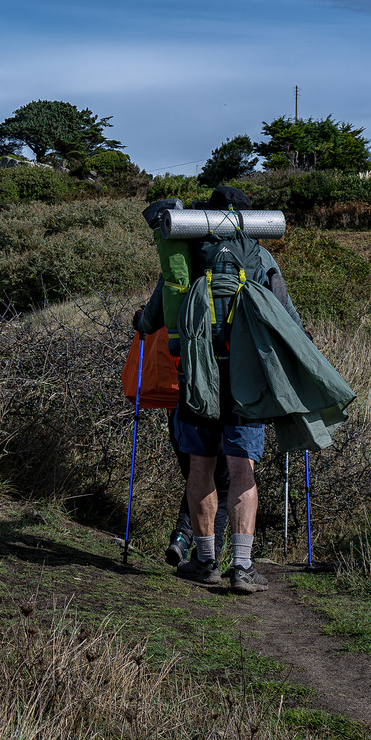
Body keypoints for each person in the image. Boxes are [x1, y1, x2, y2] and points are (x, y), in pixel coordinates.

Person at [134, 185, 305, 595]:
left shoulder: (186, 254)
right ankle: (242, 567)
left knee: (201, 466)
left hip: (198, 376)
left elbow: (155, 316)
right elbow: (288, 319)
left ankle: (206, 561)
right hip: (247, 380)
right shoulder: (261, 258)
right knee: (242, 468)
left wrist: (140, 321)